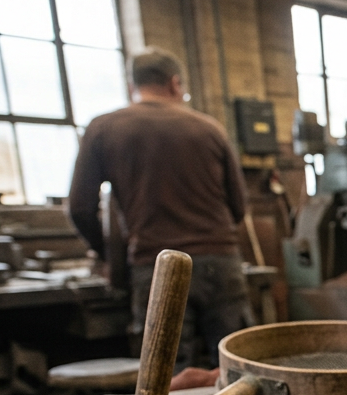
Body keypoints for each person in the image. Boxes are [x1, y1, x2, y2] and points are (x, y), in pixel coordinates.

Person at [69, 48, 251, 372]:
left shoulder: (104, 128)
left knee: (163, 378)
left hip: (155, 265)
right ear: (175, 83)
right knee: (236, 370)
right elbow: (238, 207)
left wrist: (108, 255)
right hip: (219, 262)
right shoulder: (210, 129)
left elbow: (80, 208)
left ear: (132, 86)